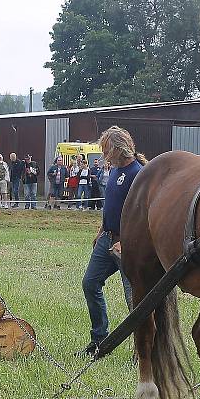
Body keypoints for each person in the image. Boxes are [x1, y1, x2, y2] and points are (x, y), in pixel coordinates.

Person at [79, 126, 144, 357]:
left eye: (106, 149)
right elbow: (111, 206)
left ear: (118, 148)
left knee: (134, 296)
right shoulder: (115, 170)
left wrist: (126, 242)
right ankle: (99, 340)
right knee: (90, 283)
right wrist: (100, 230)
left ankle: (142, 348)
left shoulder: (138, 173)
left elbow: (140, 214)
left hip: (127, 246)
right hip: (106, 240)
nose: (103, 154)